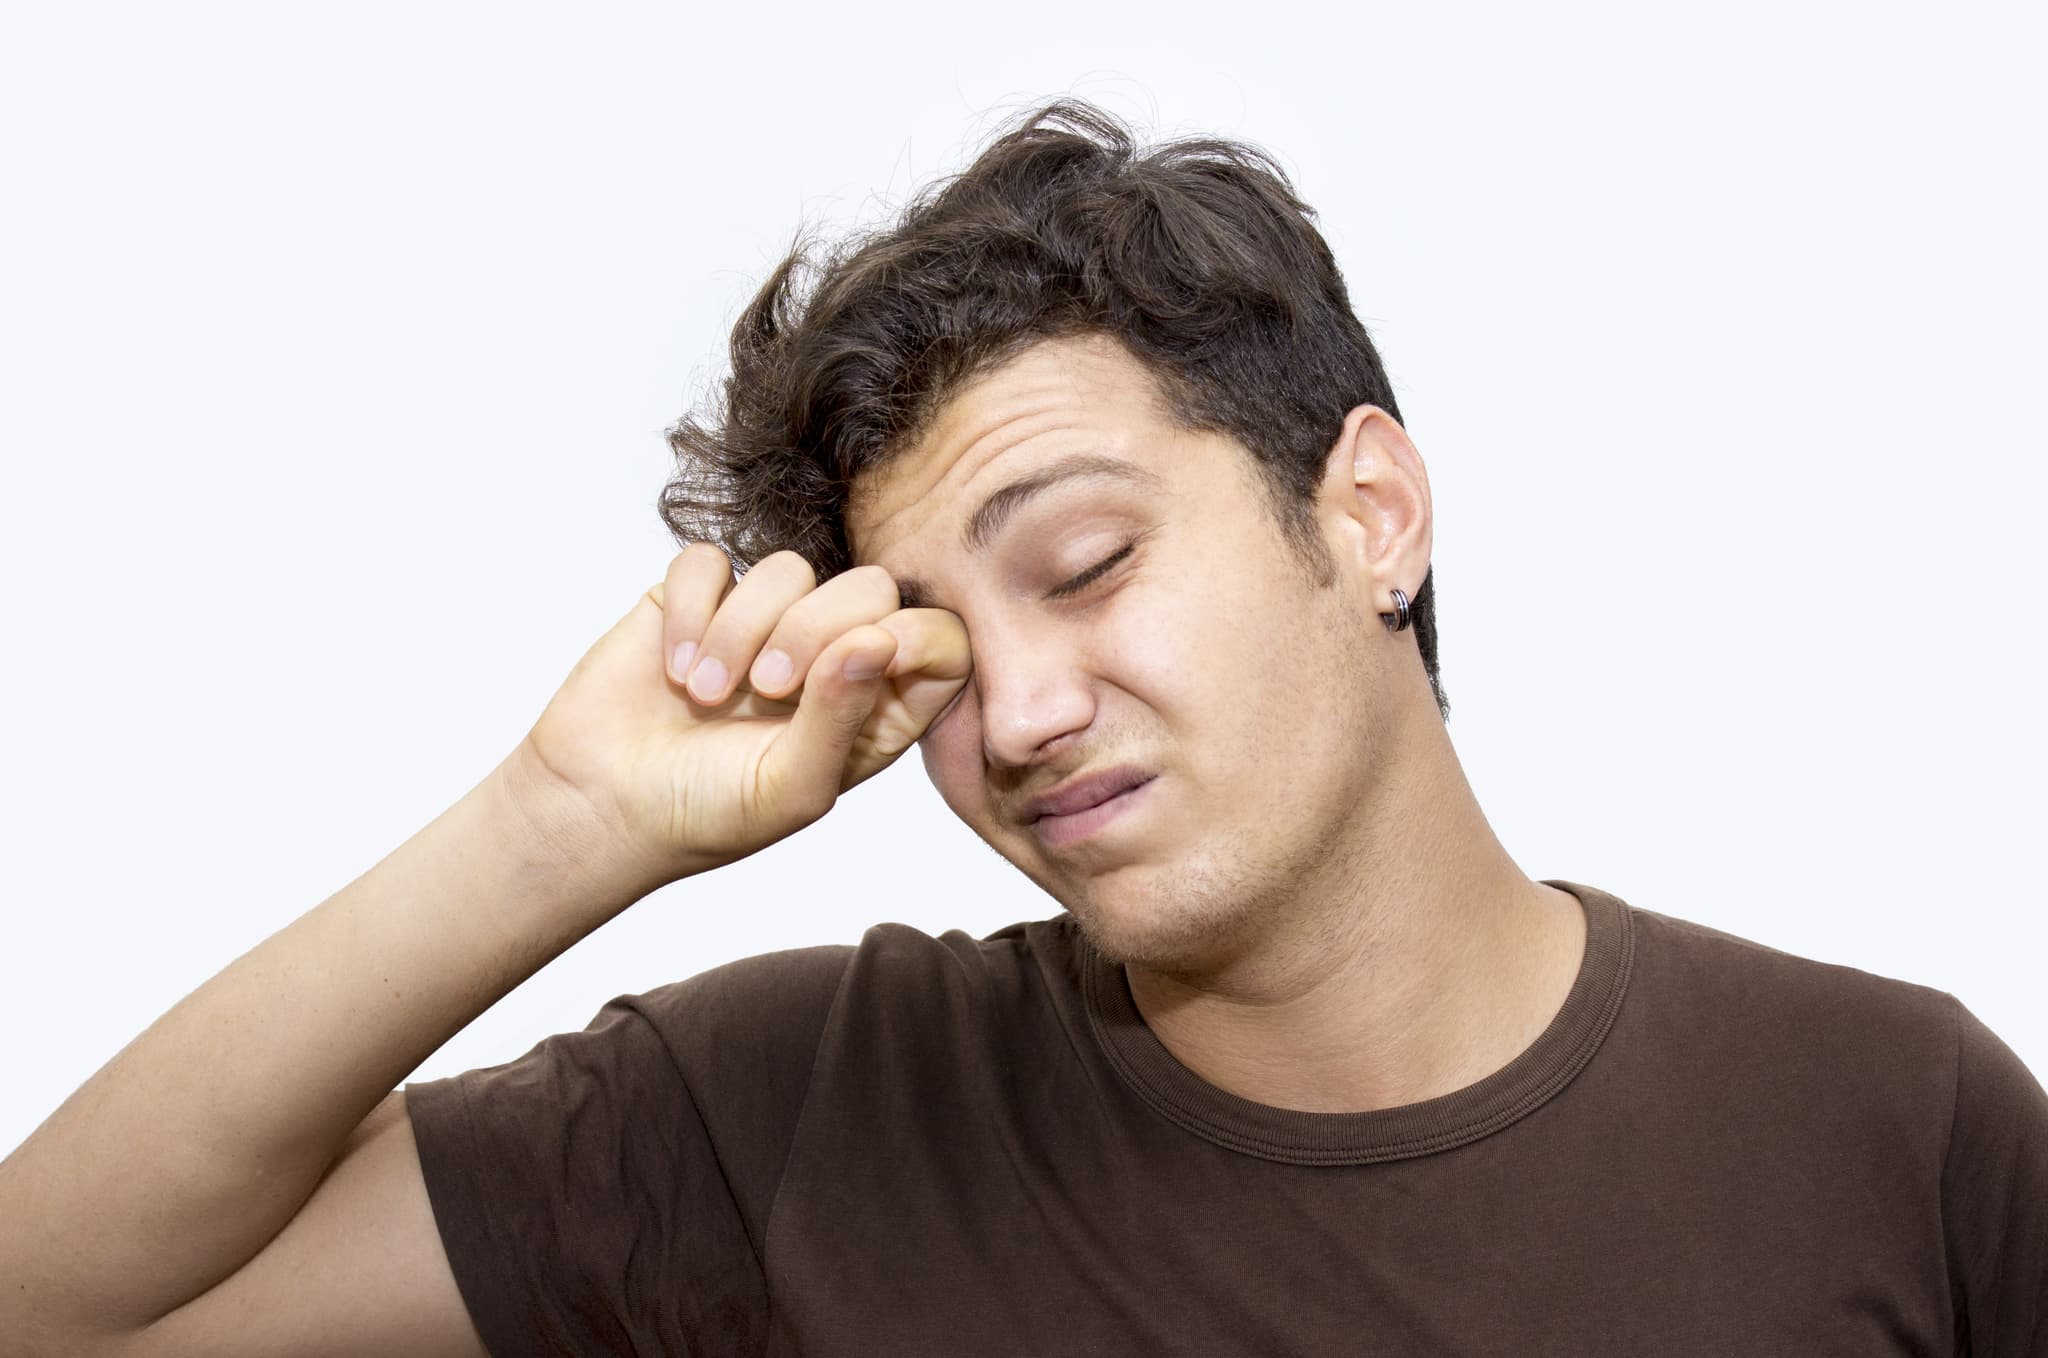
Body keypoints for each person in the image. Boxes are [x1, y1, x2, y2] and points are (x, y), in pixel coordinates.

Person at [1, 99, 2041, 1358]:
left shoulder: (1897, 1124)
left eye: (1078, 562)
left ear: (1369, 511)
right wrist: (563, 821)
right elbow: (59, 1305)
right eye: (943, 658)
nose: (1030, 710)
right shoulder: (799, 1111)